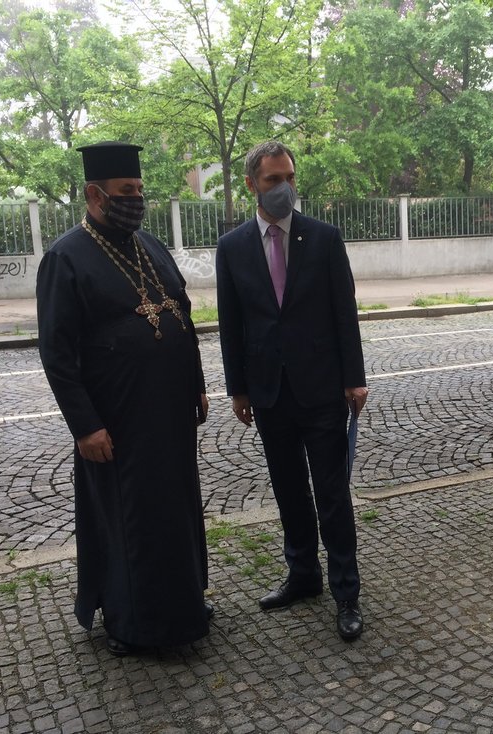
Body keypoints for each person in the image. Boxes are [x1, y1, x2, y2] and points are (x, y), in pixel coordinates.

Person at [37, 141, 212, 657]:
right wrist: (84, 425)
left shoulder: (149, 245)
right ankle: (136, 625)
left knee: (175, 512)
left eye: (139, 191)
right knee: (130, 519)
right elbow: (57, 353)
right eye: (125, 192)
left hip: (169, 415)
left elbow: (182, 315)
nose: (136, 200)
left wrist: (196, 382)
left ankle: (183, 606)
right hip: (117, 423)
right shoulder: (65, 258)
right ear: (95, 195)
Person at [216, 140, 368, 641]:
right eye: (272, 180)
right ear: (250, 185)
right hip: (268, 392)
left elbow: (344, 312)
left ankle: (346, 590)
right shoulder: (232, 247)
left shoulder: (323, 238)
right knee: (288, 492)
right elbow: (231, 323)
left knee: (331, 494)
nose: (283, 188)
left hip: (322, 388)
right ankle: (303, 576)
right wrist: (238, 389)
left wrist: (354, 377)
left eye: (289, 178)